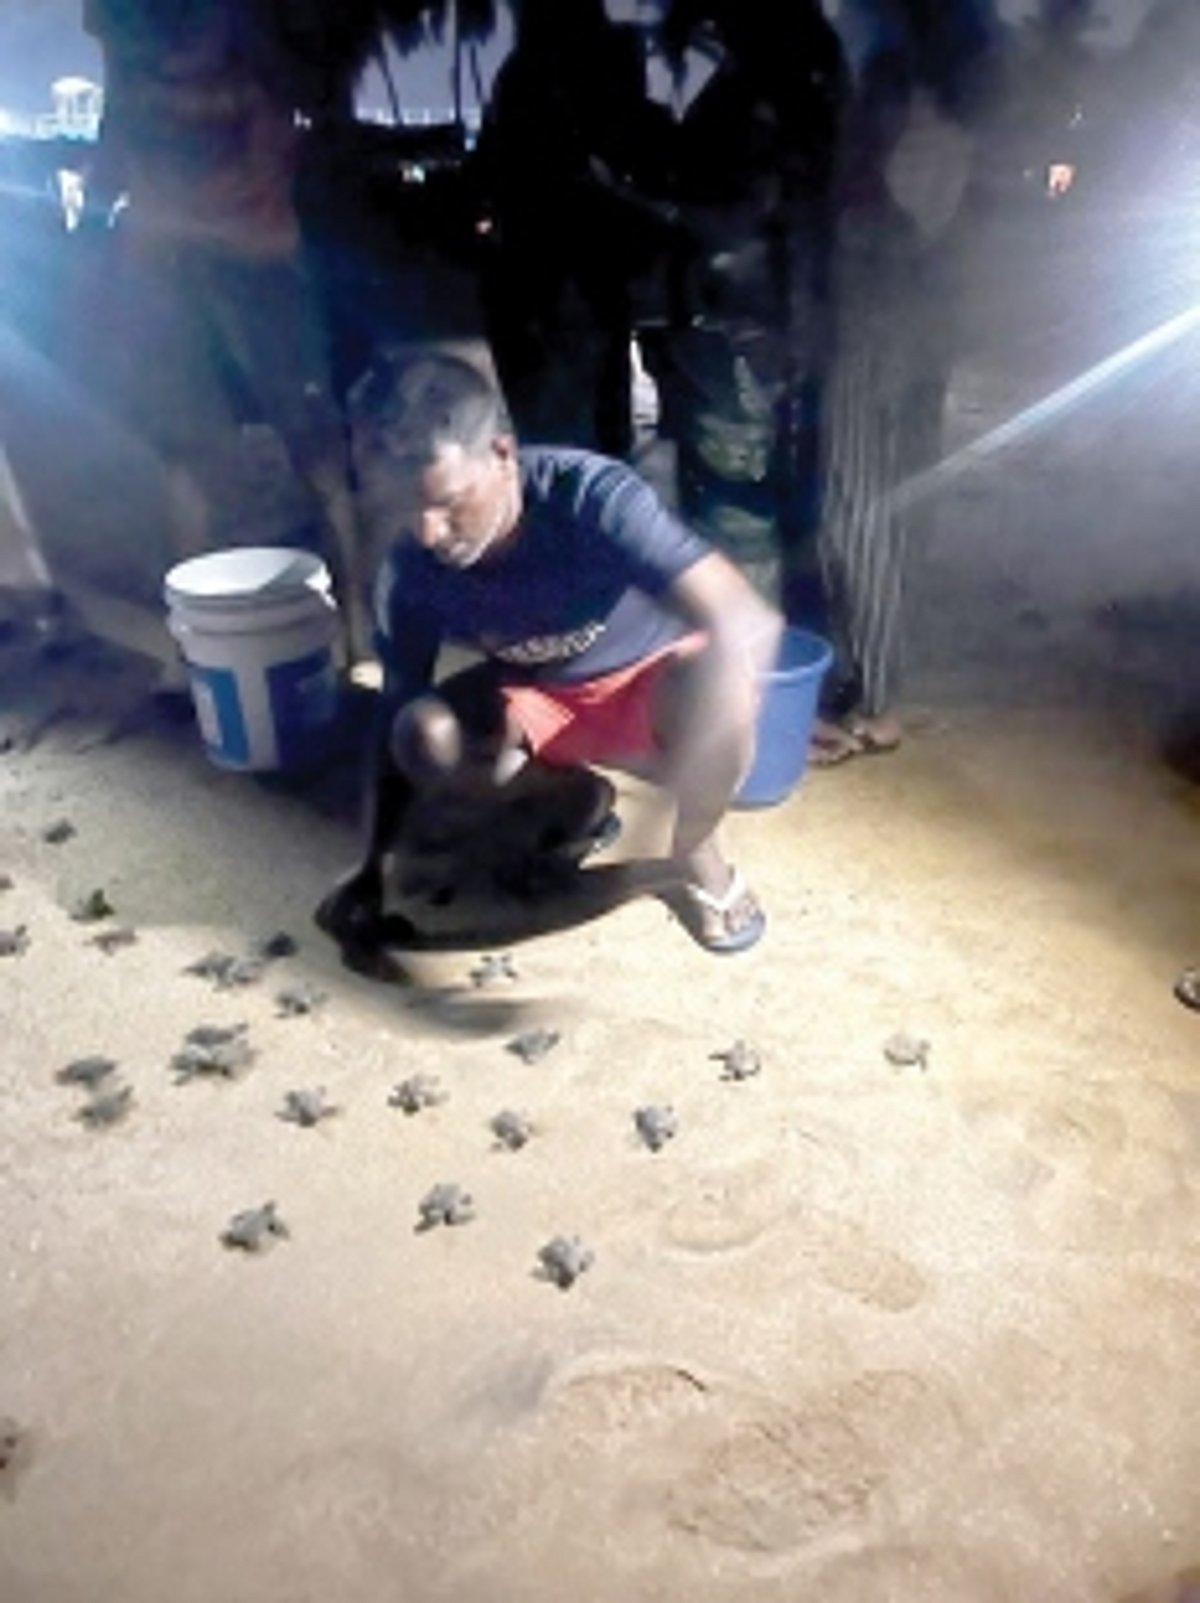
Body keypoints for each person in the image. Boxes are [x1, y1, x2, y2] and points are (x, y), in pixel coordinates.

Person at [318, 350, 782, 959]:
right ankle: (572, 801)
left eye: (449, 501)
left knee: (719, 672)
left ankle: (697, 851)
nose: (429, 532)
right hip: (537, 704)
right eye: (408, 508)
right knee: (421, 732)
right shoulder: (412, 570)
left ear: (503, 456)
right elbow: (395, 716)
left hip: (652, 695)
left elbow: (744, 617)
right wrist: (374, 866)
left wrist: (677, 811)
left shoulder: (589, 497)